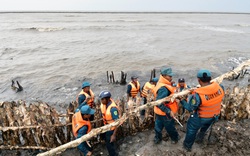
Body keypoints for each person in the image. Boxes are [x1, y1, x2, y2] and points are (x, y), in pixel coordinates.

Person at [179, 69, 224, 151]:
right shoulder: (220, 87)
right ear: (210, 78)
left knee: (191, 130)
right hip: (214, 115)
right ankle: (199, 139)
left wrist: (181, 100)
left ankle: (187, 146)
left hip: (201, 117)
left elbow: (190, 108)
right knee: (204, 128)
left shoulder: (198, 95)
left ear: (199, 80)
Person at [152, 67, 180, 144]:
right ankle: (175, 138)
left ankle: (157, 139)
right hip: (166, 113)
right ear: (164, 75)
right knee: (170, 127)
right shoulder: (164, 88)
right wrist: (168, 111)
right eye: (169, 76)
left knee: (158, 126)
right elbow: (158, 102)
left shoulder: (160, 83)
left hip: (159, 112)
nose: (171, 78)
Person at [99, 91, 119, 156]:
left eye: (102, 99)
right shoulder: (105, 105)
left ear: (107, 99)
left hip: (111, 129)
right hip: (107, 127)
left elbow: (117, 122)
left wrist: (114, 135)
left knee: (109, 145)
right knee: (109, 143)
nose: (101, 100)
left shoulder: (113, 109)